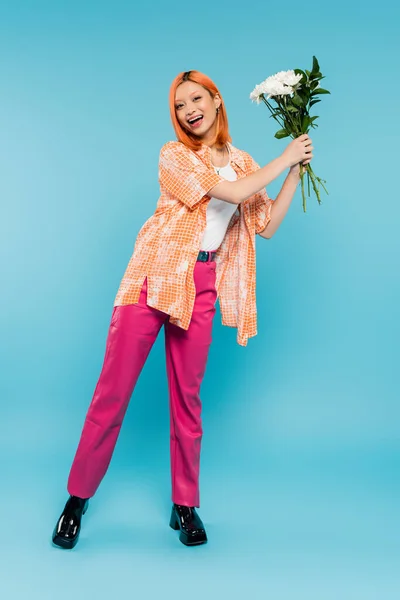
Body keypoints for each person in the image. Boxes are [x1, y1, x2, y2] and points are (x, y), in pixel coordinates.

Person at [51, 69, 313, 550]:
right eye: (179, 104)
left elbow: (267, 224)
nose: (188, 109)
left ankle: (185, 505)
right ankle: (76, 500)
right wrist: (284, 157)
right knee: (111, 394)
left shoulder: (243, 161)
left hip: (204, 282)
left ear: (216, 101)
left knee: (188, 401)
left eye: (196, 98)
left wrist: (296, 168)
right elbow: (231, 193)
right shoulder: (174, 156)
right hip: (154, 278)